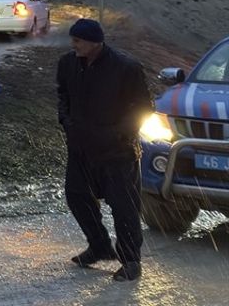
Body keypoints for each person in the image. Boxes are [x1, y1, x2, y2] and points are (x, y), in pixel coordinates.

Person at [56, 18, 151, 282]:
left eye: (78, 40)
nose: (73, 45)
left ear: (95, 43)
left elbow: (144, 108)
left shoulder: (126, 67)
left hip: (117, 151)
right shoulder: (67, 63)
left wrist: (118, 133)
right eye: (72, 40)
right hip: (80, 148)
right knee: (76, 196)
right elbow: (62, 95)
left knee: (124, 207)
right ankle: (99, 246)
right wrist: (66, 121)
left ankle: (131, 261)